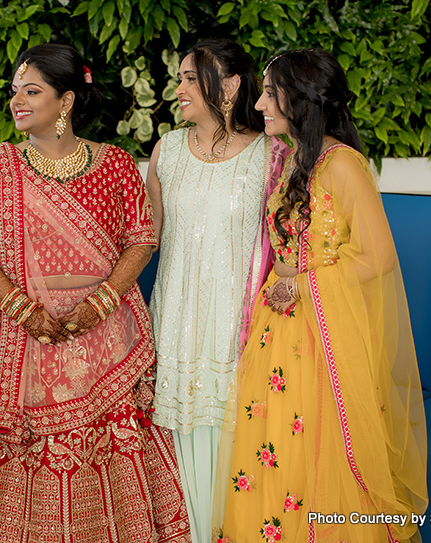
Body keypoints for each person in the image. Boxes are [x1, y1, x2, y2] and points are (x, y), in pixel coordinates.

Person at [0, 43, 191, 543]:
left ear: (67, 101)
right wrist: (20, 308)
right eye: (15, 91)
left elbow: (142, 238)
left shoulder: (116, 164)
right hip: (19, 341)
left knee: (111, 451)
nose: (17, 101)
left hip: (105, 342)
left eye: (32, 91)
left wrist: (101, 303)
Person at [217, 48, 427, 543]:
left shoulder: (343, 165)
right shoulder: (296, 161)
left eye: (271, 94)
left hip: (322, 337)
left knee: (313, 459)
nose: (261, 104)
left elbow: (379, 257)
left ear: (303, 98)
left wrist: (302, 284)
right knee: (272, 455)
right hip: (280, 332)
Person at [145, 39, 289, 543]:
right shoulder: (164, 151)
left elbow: (290, 243)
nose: (178, 88)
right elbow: (148, 240)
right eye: (180, 77)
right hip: (174, 322)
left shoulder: (272, 155)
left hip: (238, 328)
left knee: (237, 442)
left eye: (189, 78)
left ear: (228, 87)